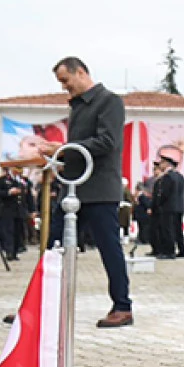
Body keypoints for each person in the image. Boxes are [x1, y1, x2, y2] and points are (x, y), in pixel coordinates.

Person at [39, 58, 133, 328]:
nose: (64, 87)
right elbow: (80, 148)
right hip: (73, 188)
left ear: (81, 72)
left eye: (66, 80)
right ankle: (41, 305)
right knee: (53, 249)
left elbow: (107, 142)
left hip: (100, 190)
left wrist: (63, 147)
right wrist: (60, 153)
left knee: (109, 249)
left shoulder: (109, 101)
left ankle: (123, 306)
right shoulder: (77, 106)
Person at [0, 168, 29, 261]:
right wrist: (9, 192)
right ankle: (9, 251)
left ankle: (15, 252)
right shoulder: (3, 180)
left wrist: (31, 210)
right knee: (8, 231)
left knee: (18, 232)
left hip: (19, 210)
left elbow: (28, 197)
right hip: (7, 209)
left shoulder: (23, 180)